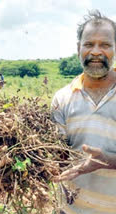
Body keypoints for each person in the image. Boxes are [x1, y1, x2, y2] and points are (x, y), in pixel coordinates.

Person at [51, 10, 116, 214]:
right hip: (71, 209)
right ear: (79, 48)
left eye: (105, 45)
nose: (96, 51)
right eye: (89, 44)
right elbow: (57, 155)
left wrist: (108, 160)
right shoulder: (62, 99)